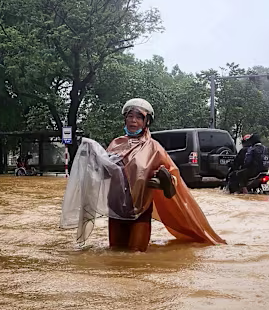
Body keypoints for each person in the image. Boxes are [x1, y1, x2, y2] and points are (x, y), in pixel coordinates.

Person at [60, 98, 225, 252]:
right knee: (116, 254)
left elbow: (173, 176)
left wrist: (163, 180)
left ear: (146, 122)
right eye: (130, 116)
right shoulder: (116, 144)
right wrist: (92, 162)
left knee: (135, 255)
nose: (133, 121)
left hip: (140, 209)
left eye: (138, 117)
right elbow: (105, 174)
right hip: (115, 208)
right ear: (124, 119)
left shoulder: (154, 147)